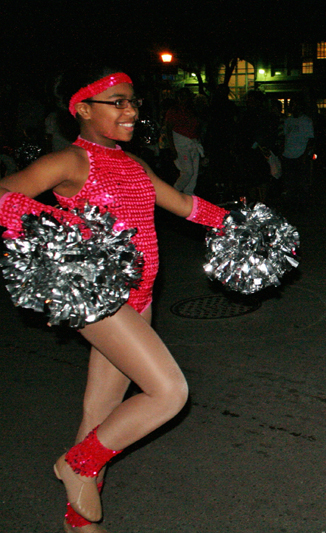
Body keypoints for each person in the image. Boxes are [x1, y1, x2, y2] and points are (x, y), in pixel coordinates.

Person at [0, 68, 230, 532]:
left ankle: (77, 522)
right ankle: (77, 465)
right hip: (103, 301)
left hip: (142, 299)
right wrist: (71, 235)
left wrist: (236, 223)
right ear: (82, 109)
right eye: (118, 102)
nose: (131, 111)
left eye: (133, 102)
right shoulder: (69, 161)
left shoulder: (134, 164)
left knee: (100, 413)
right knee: (169, 393)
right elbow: (5, 196)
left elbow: (183, 205)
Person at [165, 87, 204, 195]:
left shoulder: (192, 110)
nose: (183, 99)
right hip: (181, 144)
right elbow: (168, 129)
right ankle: (174, 192)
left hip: (193, 143)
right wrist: (172, 148)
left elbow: (198, 128)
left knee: (194, 173)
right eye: (180, 96)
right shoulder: (173, 111)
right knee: (188, 171)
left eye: (185, 96)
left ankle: (189, 195)